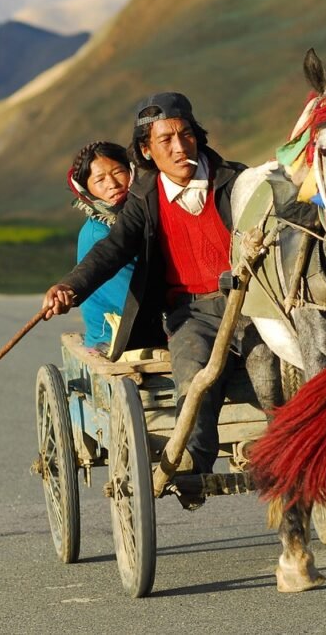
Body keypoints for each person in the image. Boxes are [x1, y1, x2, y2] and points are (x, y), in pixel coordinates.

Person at [43, 92, 279, 492]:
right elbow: (112, 250)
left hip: (252, 302)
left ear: (197, 137)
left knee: (272, 369)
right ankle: (192, 465)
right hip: (192, 313)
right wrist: (69, 287)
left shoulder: (236, 182)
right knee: (194, 376)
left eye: (186, 135)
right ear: (146, 151)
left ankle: (286, 451)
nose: (179, 147)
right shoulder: (144, 199)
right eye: (165, 140)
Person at [65, 141, 134, 353]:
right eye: (100, 179)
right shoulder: (100, 234)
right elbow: (130, 300)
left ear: (132, 172)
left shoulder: (135, 219)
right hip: (116, 336)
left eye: (118, 172)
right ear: (86, 189)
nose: (112, 184)